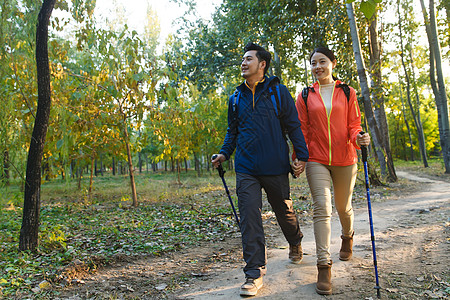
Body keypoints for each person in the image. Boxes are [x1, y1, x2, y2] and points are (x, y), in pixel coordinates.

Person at [211, 42, 309, 297]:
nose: (243, 63)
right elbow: (232, 132)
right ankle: (254, 273)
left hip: (275, 166)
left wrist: (302, 156)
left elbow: (294, 126)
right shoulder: (235, 97)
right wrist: (224, 153)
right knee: (250, 218)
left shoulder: (278, 92)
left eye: (248, 59)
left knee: (284, 212)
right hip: (246, 168)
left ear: (262, 64)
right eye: (242, 59)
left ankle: (295, 241)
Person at [293, 47, 370, 295]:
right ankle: (323, 265)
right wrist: (298, 157)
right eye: (313, 63)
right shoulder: (304, 96)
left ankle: (347, 235)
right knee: (322, 209)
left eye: (322, 62)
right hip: (316, 159)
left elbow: (353, 124)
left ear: (333, 63)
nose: (318, 67)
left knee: (342, 207)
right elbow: (301, 130)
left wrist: (358, 137)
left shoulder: (348, 92)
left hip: (345, 158)